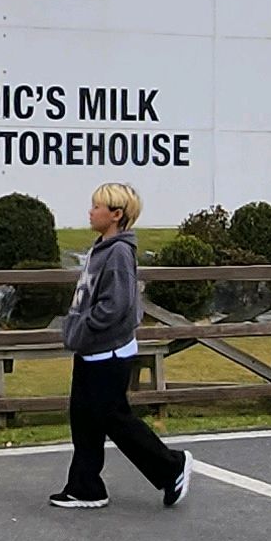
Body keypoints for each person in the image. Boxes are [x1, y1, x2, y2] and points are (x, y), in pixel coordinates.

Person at [50, 181, 192, 512]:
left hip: (108, 352)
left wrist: (83, 327)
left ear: (116, 215)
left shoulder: (117, 253)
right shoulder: (101, 247)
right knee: (84, 419)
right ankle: (85, 487)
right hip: (92, 350)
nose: (91, 211)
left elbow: (117, 305)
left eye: (97, 206)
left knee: (114, 418)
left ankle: (171, 467)